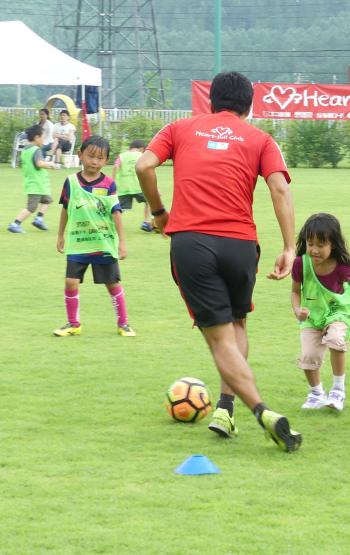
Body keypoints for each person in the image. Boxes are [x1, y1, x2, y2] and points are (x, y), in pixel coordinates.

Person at [136, 71, 302, 453]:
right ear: (249, 105)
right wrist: (290, 247)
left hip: (193, 243)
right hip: (241, 244)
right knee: (238, 321)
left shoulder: (180, 128)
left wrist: (160, 212)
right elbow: (280, 187)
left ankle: (263, 412)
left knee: (218, 336)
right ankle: (225, 409)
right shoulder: (261, 138)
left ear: (211, 101)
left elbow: (144, 166)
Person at [53, 135, 135, 338]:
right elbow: (65, 208)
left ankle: (123, 323)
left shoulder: (109, 184)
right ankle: (73, 323)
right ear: (80, 154)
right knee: (70, 282)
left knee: (112, 284)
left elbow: (116, 213)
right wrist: (60, 235)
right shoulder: (70, 182)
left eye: (100, 158)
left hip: (103, 244)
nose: (95, 162)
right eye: (91, 156)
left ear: (106, 160)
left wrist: (122, 242)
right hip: (78, 243)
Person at [291, 213, 350, 412]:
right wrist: (297, 310)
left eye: (321, 245)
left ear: (333, 244)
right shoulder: (301, 263)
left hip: (338, 313)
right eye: (310, 243)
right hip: (312, 317)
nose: (314, 250)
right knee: (308, 356)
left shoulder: (343, 267)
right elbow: (294, 291)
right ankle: (316, 393)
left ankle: (338, 390)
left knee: (335, 339)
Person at [8, 125, 60, 233]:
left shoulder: (25, 150)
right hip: (36, 185)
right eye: (43, 137)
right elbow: (39, 163)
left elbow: (32, 165)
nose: (44, 140)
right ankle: (15, 224)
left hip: (36, 184)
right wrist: (50, 164)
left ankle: (39, 219)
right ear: (37, 138)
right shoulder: (36, 150)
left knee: (47, 200)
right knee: (31, 207)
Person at [112, 140, 153, 232]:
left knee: (121, 209)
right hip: (139, 186)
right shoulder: (141, 156)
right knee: (149, 201)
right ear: (141, 148)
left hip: (124, 188)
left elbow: (115, 167)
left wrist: (113, 181)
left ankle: (110, 223)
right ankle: (146, 222)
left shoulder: (122, 156)